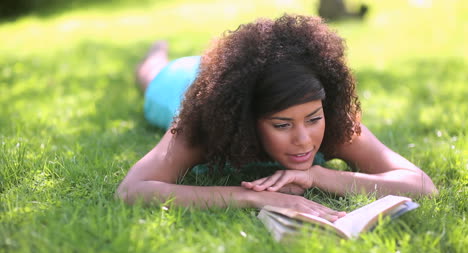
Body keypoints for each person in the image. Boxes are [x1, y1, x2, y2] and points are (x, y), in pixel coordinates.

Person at [116, 14, 437, 222]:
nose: (304, 139)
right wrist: (249, 198)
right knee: (150, 76)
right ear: (246, 121)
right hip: (182, 84)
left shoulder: (335, 121)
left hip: (233, 77)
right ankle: (156, 51)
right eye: (282, 125)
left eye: (312, 119)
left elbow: (422, 185)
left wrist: (320, 176)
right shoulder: (204, 123)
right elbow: (131, 190)